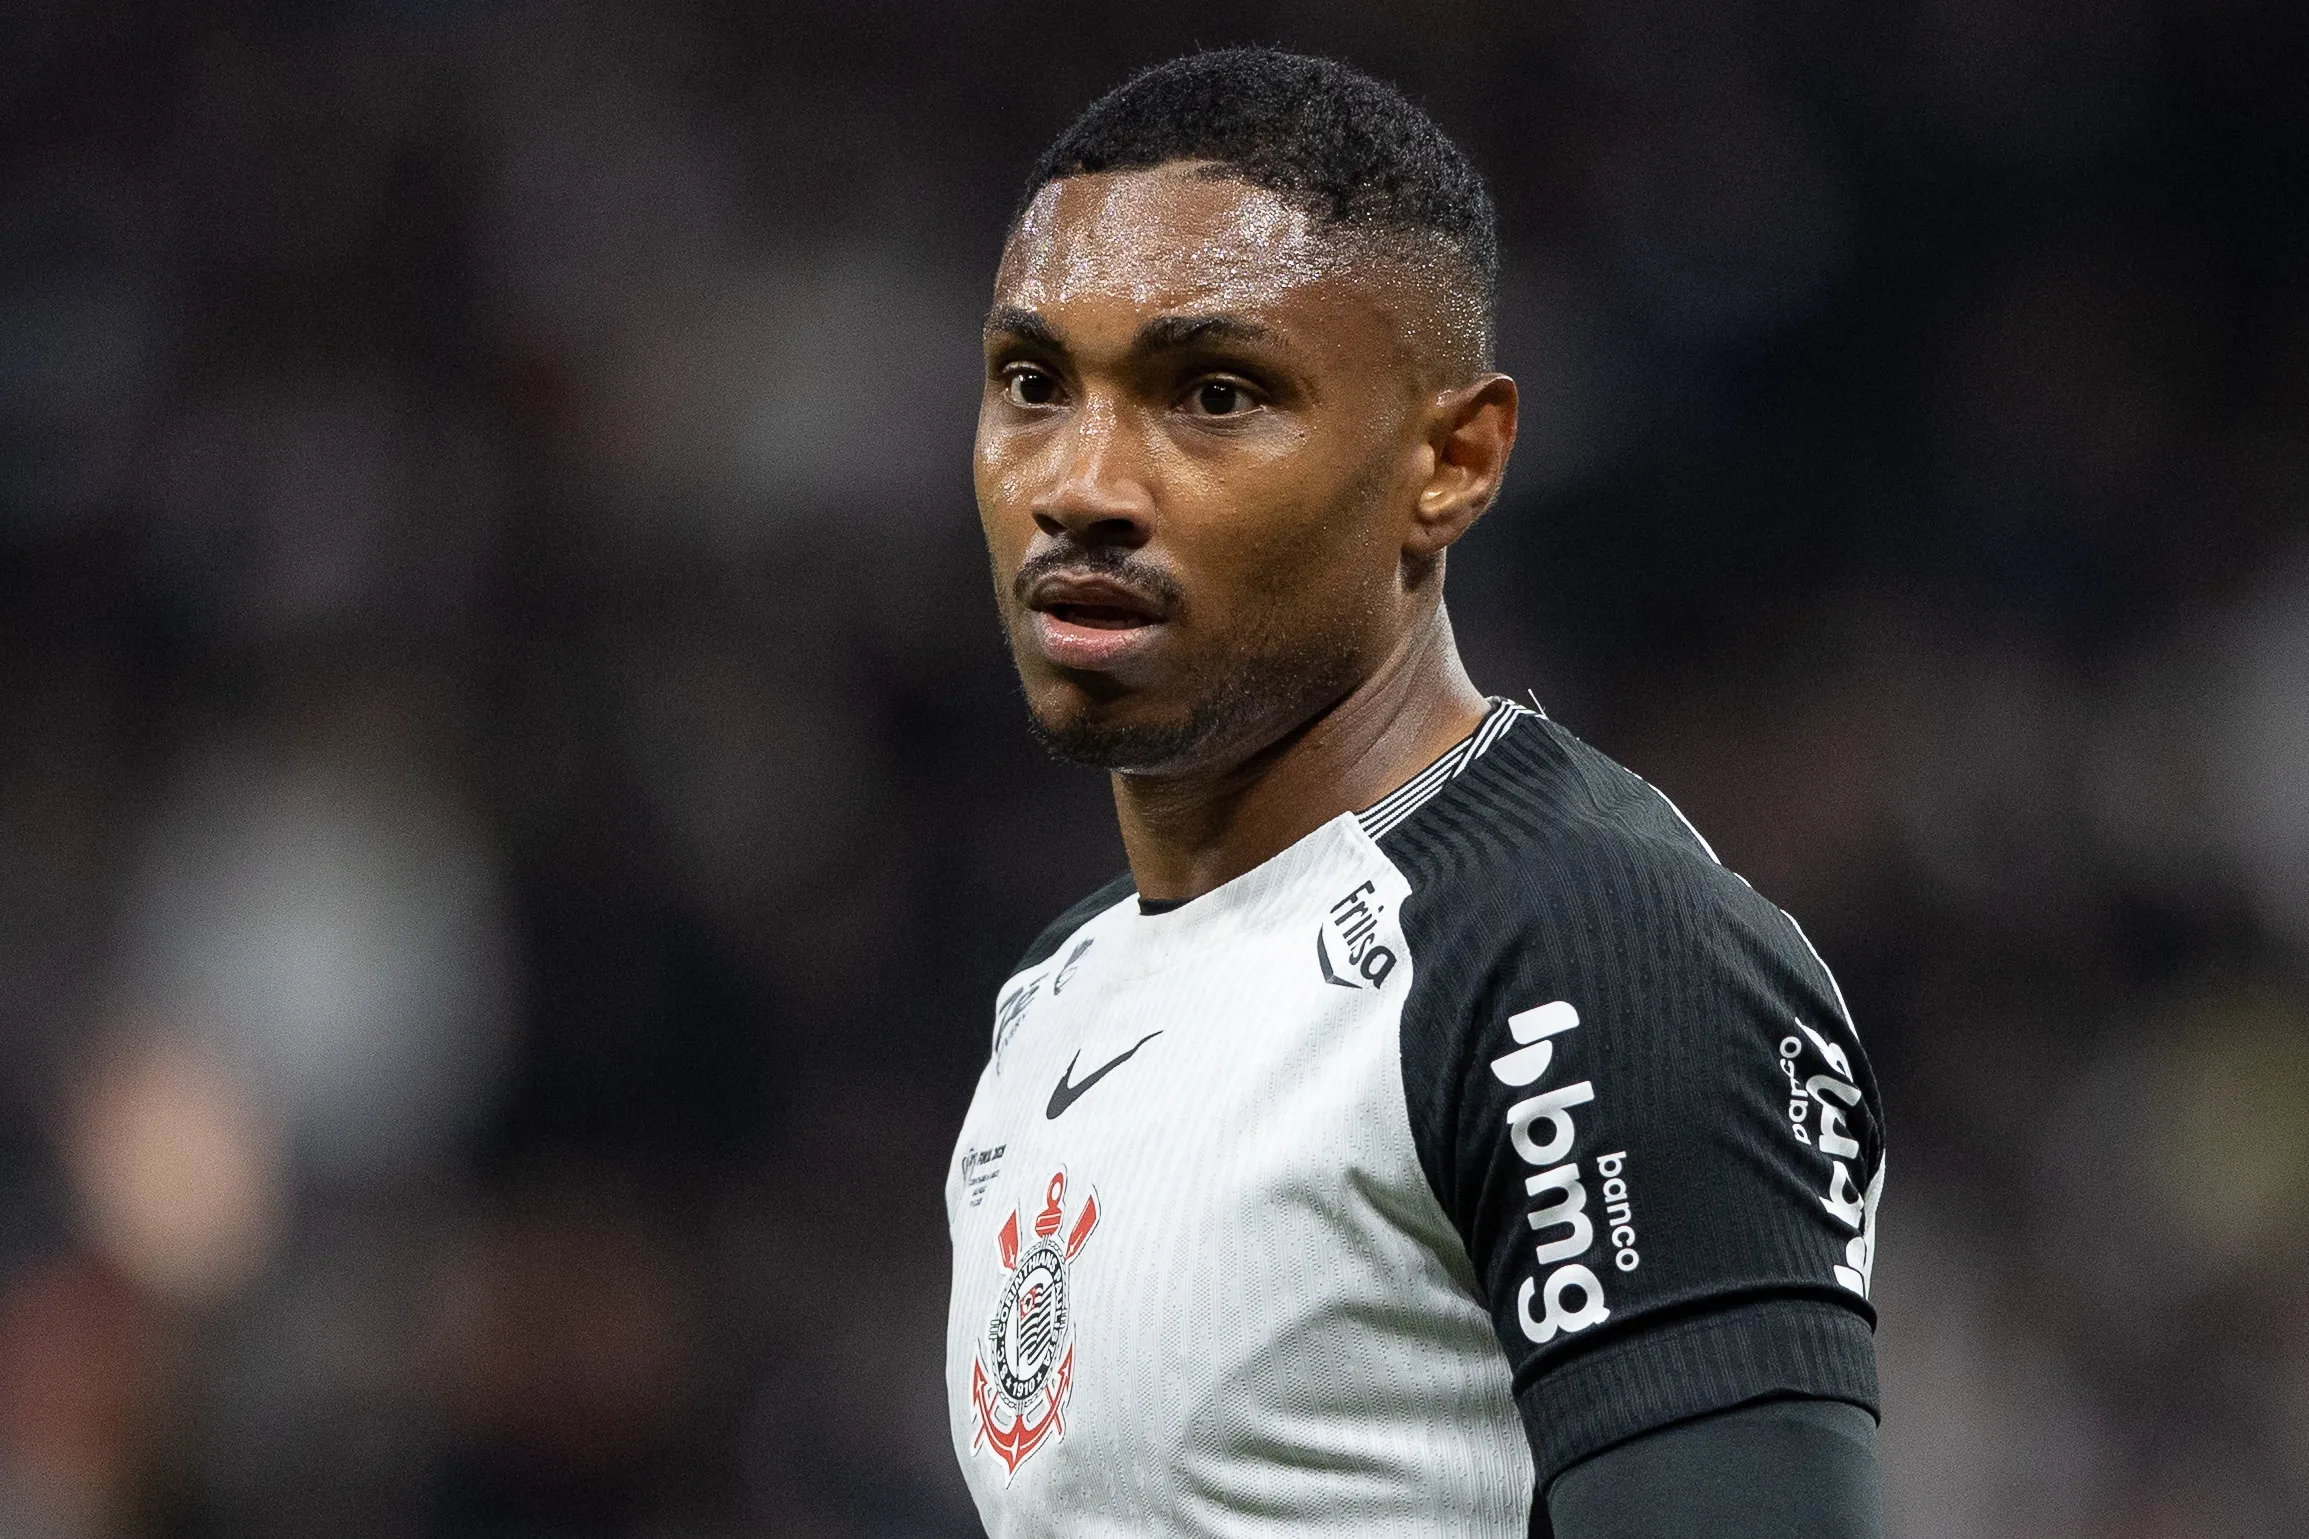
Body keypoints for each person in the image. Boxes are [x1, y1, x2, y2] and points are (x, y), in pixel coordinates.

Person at [945, 46, 1885, 1539]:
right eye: (1034, 384)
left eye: (1216, 392)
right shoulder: (1053, 995)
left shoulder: (1582, 957)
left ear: (1452, 460)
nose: (1085, 481)